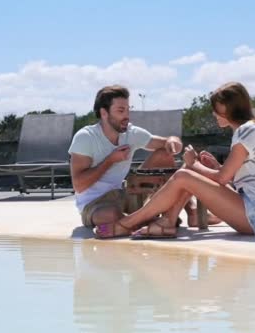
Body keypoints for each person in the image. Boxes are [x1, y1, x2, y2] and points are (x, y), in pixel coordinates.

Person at [95, 81, 255, 238]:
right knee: (191, 171)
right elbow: (243, 179)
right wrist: (214, 167)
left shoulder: (247, 131)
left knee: (184, 176)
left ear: (227, 107)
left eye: (215, 108)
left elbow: (221, 179)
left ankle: (127, 223)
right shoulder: (249, 130)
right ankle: (168, 222)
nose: (213, 113)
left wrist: (194, 162)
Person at [68, 85, 188, 233]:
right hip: (95, 204)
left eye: (127, 109)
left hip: (124, 193)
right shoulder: (86, 137)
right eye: (120, 111)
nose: (127, 116)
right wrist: (110, 160)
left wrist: (173, 141)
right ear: (104, 113)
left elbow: (165, 142)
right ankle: (148, 219)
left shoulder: (131, 133)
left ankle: (134, 221)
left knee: (164, 154)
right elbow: (79, 185)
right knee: (110, 215)